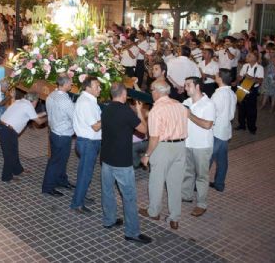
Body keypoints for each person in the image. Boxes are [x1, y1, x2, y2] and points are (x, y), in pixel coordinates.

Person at [100, 82, 151, 244]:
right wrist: (139, 112)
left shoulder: (105, 108)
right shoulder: (126, 111)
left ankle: (109, 220)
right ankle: (132, 232)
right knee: (129, 197)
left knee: (107, 191)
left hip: (106, 158)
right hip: (122, 161)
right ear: (124, 95)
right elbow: (144, 131)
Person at [139, 80, 188, 230]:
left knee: (156, 181)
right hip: (180, 146)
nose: (151, 93)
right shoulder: (180, 106)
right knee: (175, 184)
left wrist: (147, 155)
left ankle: (154, 212)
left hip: (163, 148)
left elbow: (154, 138)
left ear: (157, 91)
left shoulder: (156, 110)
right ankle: (175, 217)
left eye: (151, 90)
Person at [181, 76, 215, 217]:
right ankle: (186, 195)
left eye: (188, 85)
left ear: (197, 87)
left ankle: (201, 204)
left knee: (202, 175)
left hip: (202, 145)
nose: (185, 88)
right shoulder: (186, 102)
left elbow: (207, 125)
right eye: (185, 85)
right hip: (188, 142)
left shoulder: (208, 104)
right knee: (187, 171)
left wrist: (189, 115)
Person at [70, 76, 102, 214]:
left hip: (87, 141)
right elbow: (95, 126)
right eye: (97, 86)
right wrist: (108, 116)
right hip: (88, 142)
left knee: (85, 172)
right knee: (85, 174)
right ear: (88, 87)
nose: (99, 89)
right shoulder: (86, 103)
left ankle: (81, 196)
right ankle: (77, 203)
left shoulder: (88, 100)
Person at [0, 92, 46, 182]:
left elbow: (31, 115)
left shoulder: (21, 102)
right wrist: (50, 117)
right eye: (37, 102)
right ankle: (6, 177)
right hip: (7, 131)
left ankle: (18, 170)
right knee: (9, 155)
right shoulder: (29, 107)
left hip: (5, 128)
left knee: (14, 151)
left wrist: (44, 113)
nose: (37, 103)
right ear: (34, 101)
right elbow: (39, 122)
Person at [41, 75, 75, 197]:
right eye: (71, 83)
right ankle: (48, 187)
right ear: (65, 84)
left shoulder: (51, 95)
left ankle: (61, 180)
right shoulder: (65, 101)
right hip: (63, 134)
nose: (72, 85)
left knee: (62, 160)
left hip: (54, 132)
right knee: (55, 161)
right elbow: (74, 116)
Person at [209, 69, 236, 192]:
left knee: (207, 160)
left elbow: (212, 114)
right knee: (222, 160)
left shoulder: (218, 95)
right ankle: (219, 184)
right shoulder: (232, 93)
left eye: (216, 74)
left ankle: (198, 185)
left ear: (220, 78)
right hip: (226, 130)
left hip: (216, 131)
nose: (215, 76)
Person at [236, 51, 263, 134]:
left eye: (249, 56)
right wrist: (238, 79)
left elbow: (260, 80)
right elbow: (240, 77)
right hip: (243, 88)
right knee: (241, 108)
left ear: (255, 58)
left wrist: (251, 78)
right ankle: (242, 125)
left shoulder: (259, 68)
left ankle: (252, 128)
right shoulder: (245, 66)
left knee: (251, 110)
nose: (247, 57)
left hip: (252, 91)